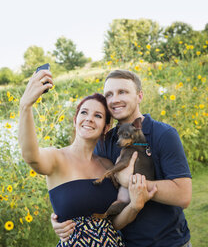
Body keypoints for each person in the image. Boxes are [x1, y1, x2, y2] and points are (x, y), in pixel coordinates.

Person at [51, 69, 192, 247]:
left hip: (167, 243)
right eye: (109, 94)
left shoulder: (163, 134)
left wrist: (130, 182)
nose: (114, 99)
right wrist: (61, 219)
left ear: (139, 96)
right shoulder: (104, 141)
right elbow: (88, 190)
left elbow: (183, 195)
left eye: (122, 92)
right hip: (120, 243)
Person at [18, 69, 157, 246]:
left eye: (98, 116)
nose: (89, 119)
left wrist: (134, 207)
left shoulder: (107, 165)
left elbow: (114, 223)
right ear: (75, 119)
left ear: (106, 128)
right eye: (84, 113)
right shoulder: (55, 158)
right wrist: (25, 106)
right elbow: (30, 155)